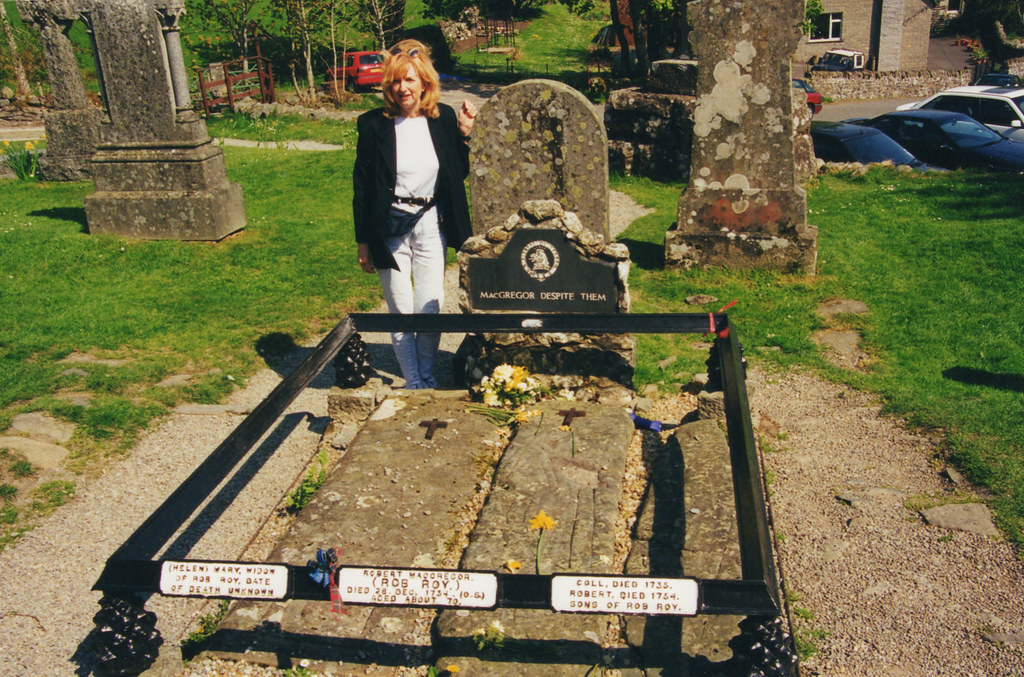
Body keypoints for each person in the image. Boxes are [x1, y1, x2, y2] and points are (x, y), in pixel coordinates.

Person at [353, 39, 477, 389]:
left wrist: (464, 137)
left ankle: (427, 376)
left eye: (409, 80)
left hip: (429, 224)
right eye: (395, 81)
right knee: (401, 311)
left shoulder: (442, 119)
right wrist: (363, 241)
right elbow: (361, 187)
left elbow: (455, 175)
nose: (402, 88)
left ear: (425, 82)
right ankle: (413, 381)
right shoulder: (373, 125)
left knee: (428, 309)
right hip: (388, 228)